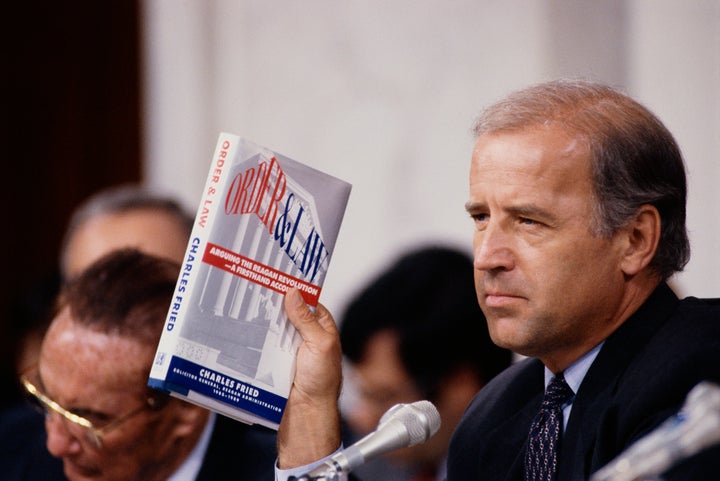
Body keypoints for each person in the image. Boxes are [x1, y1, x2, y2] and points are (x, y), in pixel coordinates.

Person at [274, 79, 720, 481]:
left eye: (528, 221)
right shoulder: (493, 416)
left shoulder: (701, 379)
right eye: (481, 218)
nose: (487, 257)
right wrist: (313, 409)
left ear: (635, 239)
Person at [20, 248, 277, 480]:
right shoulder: (13, 453)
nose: (55, 445)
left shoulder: (278, 470)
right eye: (45, 400)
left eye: (87, 418)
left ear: (186, 406)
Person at [339, 246, 512, 481]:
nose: (361, 417)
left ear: (460, 385)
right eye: (360, 392)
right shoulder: (379, 469)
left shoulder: (539, 464)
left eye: (384, 397)